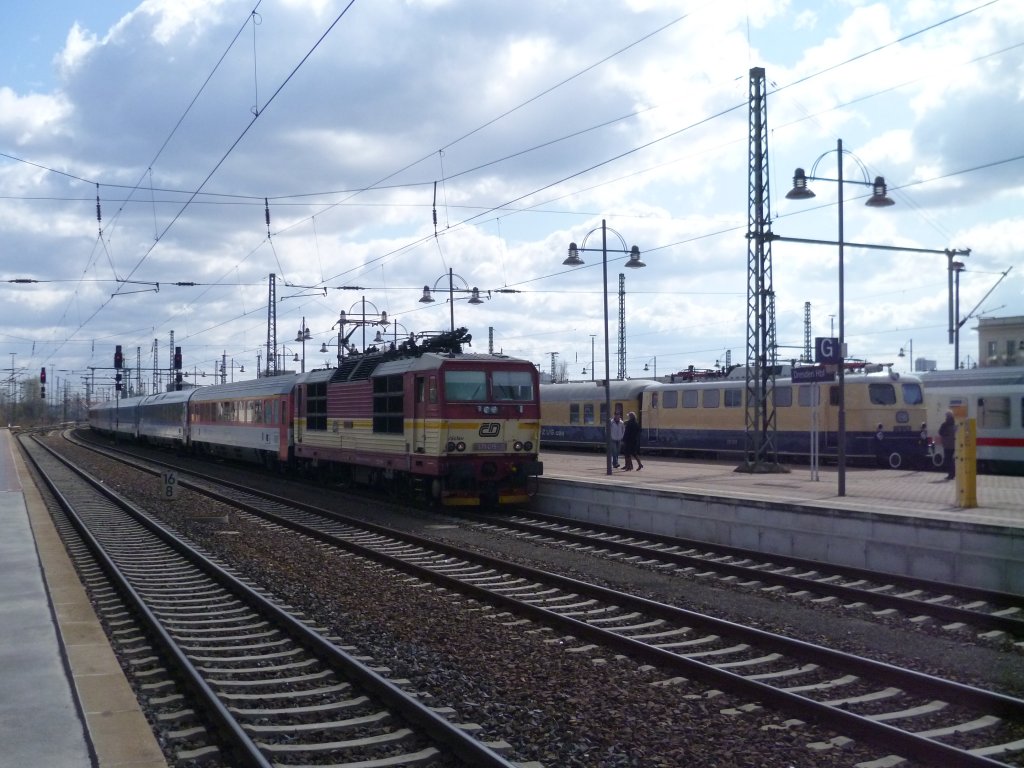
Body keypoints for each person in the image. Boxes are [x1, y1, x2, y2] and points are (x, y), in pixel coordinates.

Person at [938, 410, 957, 480]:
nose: (945, 417)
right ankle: (953, 474)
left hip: (947, 444)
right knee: (951, 459)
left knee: (948, 459)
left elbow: (940, 432)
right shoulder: (954, 423)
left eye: (946, 416)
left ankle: (950, 475)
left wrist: (945, 435)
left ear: (948, 416)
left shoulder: (945, 424)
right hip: (953, 444)